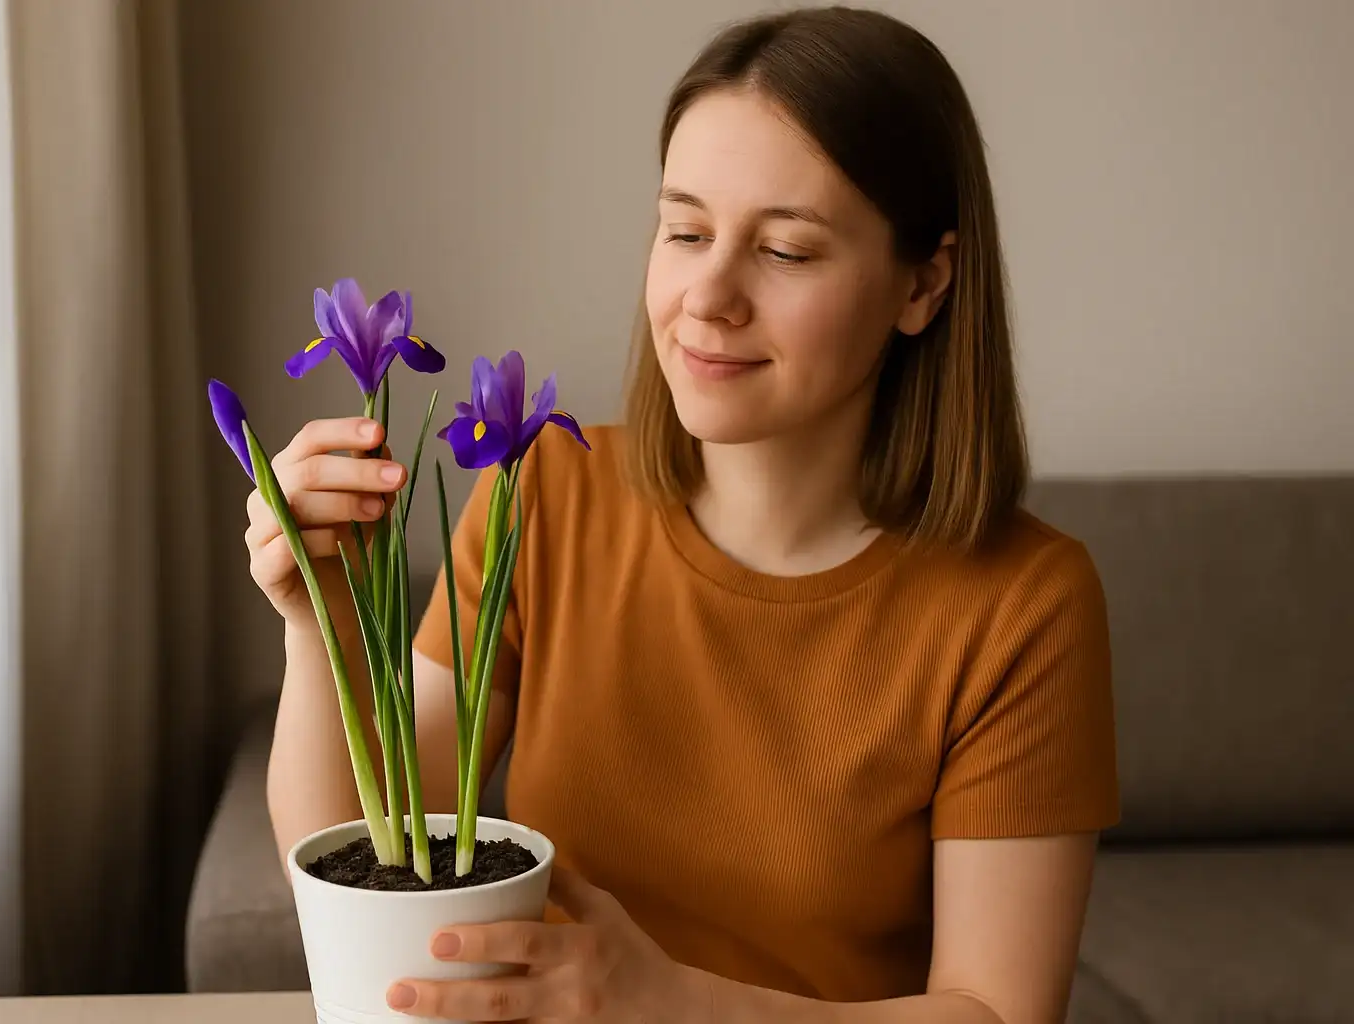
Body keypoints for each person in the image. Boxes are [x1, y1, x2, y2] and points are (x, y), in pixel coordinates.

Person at [244, 6, 1119, 1023]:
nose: (709, 295)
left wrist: (664, 999)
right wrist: (317, 614)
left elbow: (997, 1012)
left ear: (923, 282)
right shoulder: (545, 492)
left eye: (785, 251)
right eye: (686, 230)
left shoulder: (1026, 605)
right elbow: (356, 854)